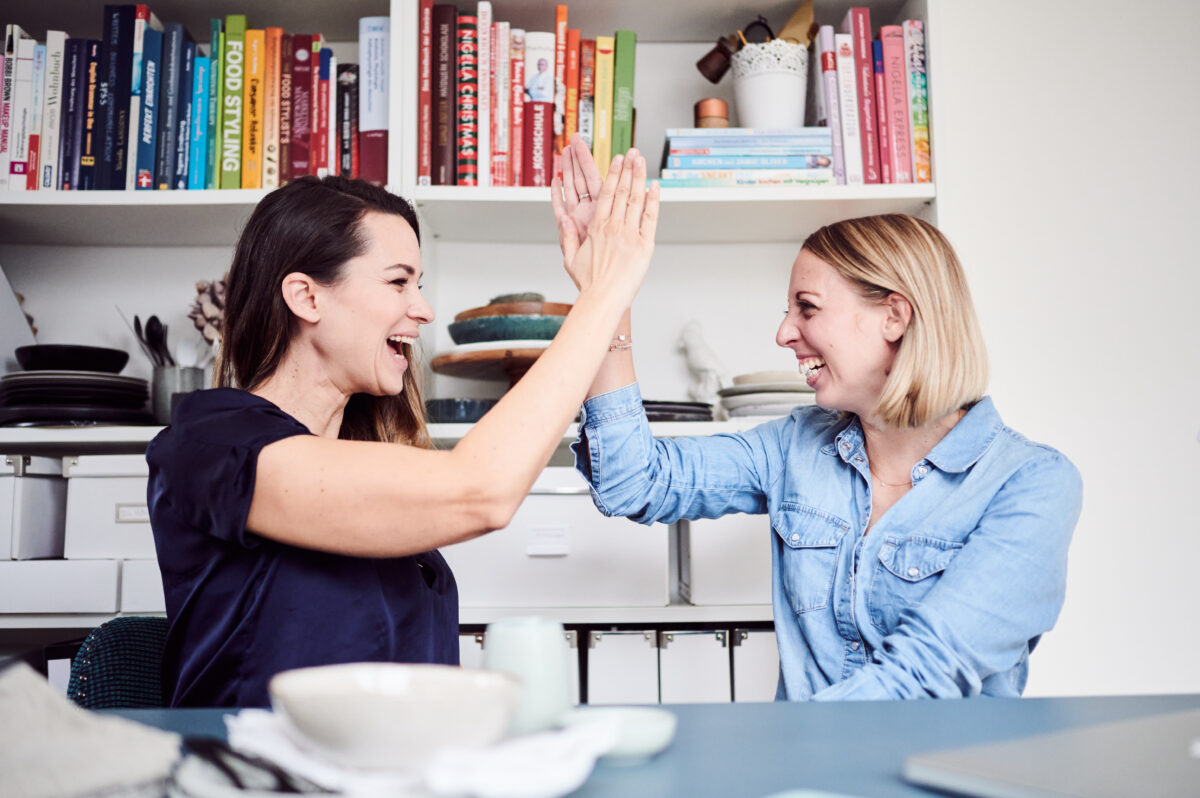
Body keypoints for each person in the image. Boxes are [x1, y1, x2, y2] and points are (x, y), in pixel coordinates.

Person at [551, 135, 1083, 701]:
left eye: (807, 307)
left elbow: (924, 674)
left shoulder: (1031, 483)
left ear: (894, 317)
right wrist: (605, 297)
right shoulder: (795, 447)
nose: (784, 333)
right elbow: (633, 482)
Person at [147, 163, 659, 708]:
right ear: (307, 297)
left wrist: (611, 297)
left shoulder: (371, 464)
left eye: (419, 284)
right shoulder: (211, 443)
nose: (423, 309)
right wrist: (603, 292)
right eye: (398, 282)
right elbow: (481, 490)